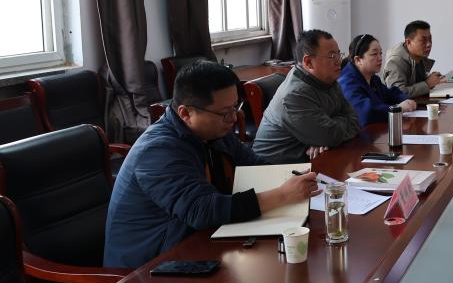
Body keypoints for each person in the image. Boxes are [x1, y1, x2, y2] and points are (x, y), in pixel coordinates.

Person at [104, 62, 319, 269]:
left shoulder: (214, 132)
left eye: (235, 107)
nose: (233, 118)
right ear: (185, 113)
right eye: (224, 112)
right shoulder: (158, 150)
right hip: (149, 269)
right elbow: (202, 210)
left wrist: (293, 179)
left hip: (200, 245)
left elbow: (256, 167)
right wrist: (282, 194)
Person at [253, 29, 362, 163]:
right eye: (332, 56)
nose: (339, 61)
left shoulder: (328, 80)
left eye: (338, 54)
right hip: (273, 169)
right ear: (309, 62)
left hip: (309, 160)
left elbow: (355, 120)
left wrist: (323, 136)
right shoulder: (295, 94)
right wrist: (326, 135)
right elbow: (331, 135)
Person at [339, 33, 417, 126]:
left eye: (380, 53)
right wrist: (397, 109)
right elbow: (366, 112)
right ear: (358, 60)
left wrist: (407, 101)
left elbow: (391, 94)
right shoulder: (347, 82)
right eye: (374, 54)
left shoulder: (373, 79)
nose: (380, 58)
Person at [382, 20, 445, 97]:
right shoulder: (395, 62)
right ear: (408, 42)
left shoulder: (420, 56)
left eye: (430, 39)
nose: (429, 44)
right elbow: (397, 94)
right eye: (423, 40)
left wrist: (430, 79)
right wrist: (427, 84)